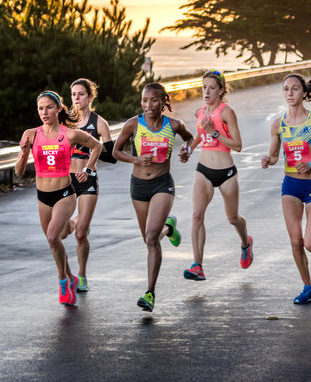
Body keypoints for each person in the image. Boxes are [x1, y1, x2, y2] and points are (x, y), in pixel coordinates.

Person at [15, 90, 103, 307]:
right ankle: (71, 277)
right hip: (42, 196)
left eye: (49, 107)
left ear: (58, 109)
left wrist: (89, 169)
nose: (44, 112)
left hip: (65, 193)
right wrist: (24, 153)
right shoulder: (31, 134)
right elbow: (18, 172)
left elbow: (97, 146)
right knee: (54, 241)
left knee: (53, 237)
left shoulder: (70, 134)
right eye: (40, 108)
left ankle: (63, 282)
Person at [261, 71, 311, 305]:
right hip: (291, 186)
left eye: (295, 88)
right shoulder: (278, 124)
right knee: (295, 241)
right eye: (286, 89)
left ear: (304, 93)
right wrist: (268, 160)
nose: (290, 93)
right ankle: (308, 287)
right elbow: (275, 156)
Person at [113, 82, 192, 312]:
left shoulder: (174, 125)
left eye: (154, 100)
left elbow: (190, 138)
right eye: (145, 100)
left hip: (162, 184)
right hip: (138, 187)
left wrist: (186, 151)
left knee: (150, 236)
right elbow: (116, 151)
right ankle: (170, 228)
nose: (149, 105)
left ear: (163, 101)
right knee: (150, 240)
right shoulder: (133, 125)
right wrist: (135, 159)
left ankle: (150, 293)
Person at [184, 70, 253, 281]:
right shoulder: (199, 111)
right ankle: (198, 265)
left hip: (226, 172)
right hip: (203, 170)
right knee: (197, 215)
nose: (206, 91)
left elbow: (238, 145)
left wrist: (214, 131)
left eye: (212, 87)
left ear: (221, 90)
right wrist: (188, 150)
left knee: (233, 218)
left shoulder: (226, 112)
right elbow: (199, 135)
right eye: (204, 87)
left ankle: (245, 243)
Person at [64, 78, 112, 294]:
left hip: (87, 179)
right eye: (74, 94)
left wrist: (89, 168)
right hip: (66, 180)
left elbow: (108, 153)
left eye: (81, 94)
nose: (76, 98)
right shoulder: (64, 122)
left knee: (81, 234)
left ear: (90, 97)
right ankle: (76, 221)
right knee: (64, 232)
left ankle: (81, 275)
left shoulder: (99, 123)